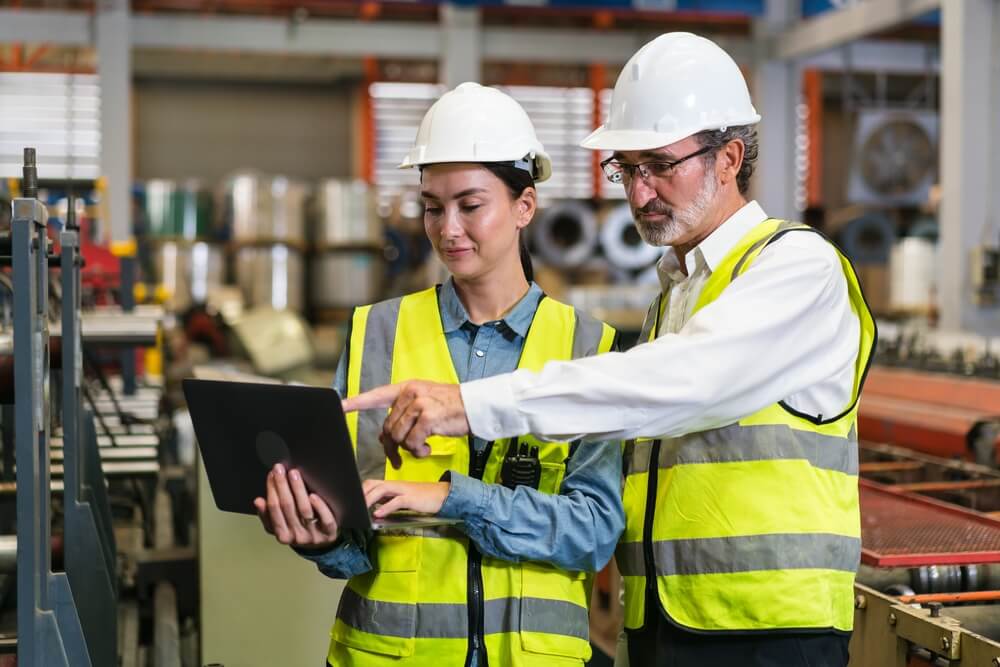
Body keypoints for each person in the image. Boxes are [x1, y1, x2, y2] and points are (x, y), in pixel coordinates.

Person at [344, 33, 876, 667]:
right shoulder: (673, 299)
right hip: (667, 624)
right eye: (628, 168)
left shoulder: (796, 268)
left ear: (729, 157)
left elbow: (683, 384)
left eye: (660, 165)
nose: (640, 193)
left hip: (771, 632)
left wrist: (467, 407)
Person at [254, 82, 625, 667]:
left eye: (470, 205)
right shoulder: (376, 332)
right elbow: (354, 535)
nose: (448, 228)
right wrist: (321, 537)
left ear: (524, 206)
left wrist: (453, 499)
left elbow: (595, 533)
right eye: (433, 206)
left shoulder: (587, 346)